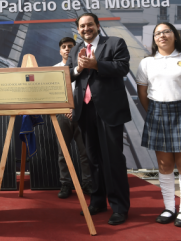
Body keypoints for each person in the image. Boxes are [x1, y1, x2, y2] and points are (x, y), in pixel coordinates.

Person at [136, 22, 181, 227]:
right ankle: (169, 207)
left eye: (166, 31)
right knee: (164, 165)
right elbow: (142, 92)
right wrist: (152, 112)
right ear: (154, 39)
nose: (162, 35)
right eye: (157, 33)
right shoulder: (147, 63)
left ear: (174, 35)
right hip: (158, 113)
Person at [66, 13, 131, 225]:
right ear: (78, 29)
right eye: (82, 26)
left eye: (90, 25)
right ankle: (97, 200)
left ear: (97, 25)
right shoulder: (75, 49)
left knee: (112, 160)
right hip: (84, 111)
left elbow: (122, 68)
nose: (86, 29)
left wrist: (96, 65)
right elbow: (68, 74)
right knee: (92, 159)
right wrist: (79, 68)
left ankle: (119, 207)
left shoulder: (114, 43)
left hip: (109, 111)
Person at [54, 37, 92, 199]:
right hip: (62, 114)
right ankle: (65, 184)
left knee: (85, 152)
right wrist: (66, 108)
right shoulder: (54, 69)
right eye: (64, 46)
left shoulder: (84, 67)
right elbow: (52, 93)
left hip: (82, 113)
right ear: (60, 50)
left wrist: (75, 108)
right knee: (64, 152)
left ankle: (87, 183)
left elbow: (87, 91)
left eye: (70, 46)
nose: (67, 49)